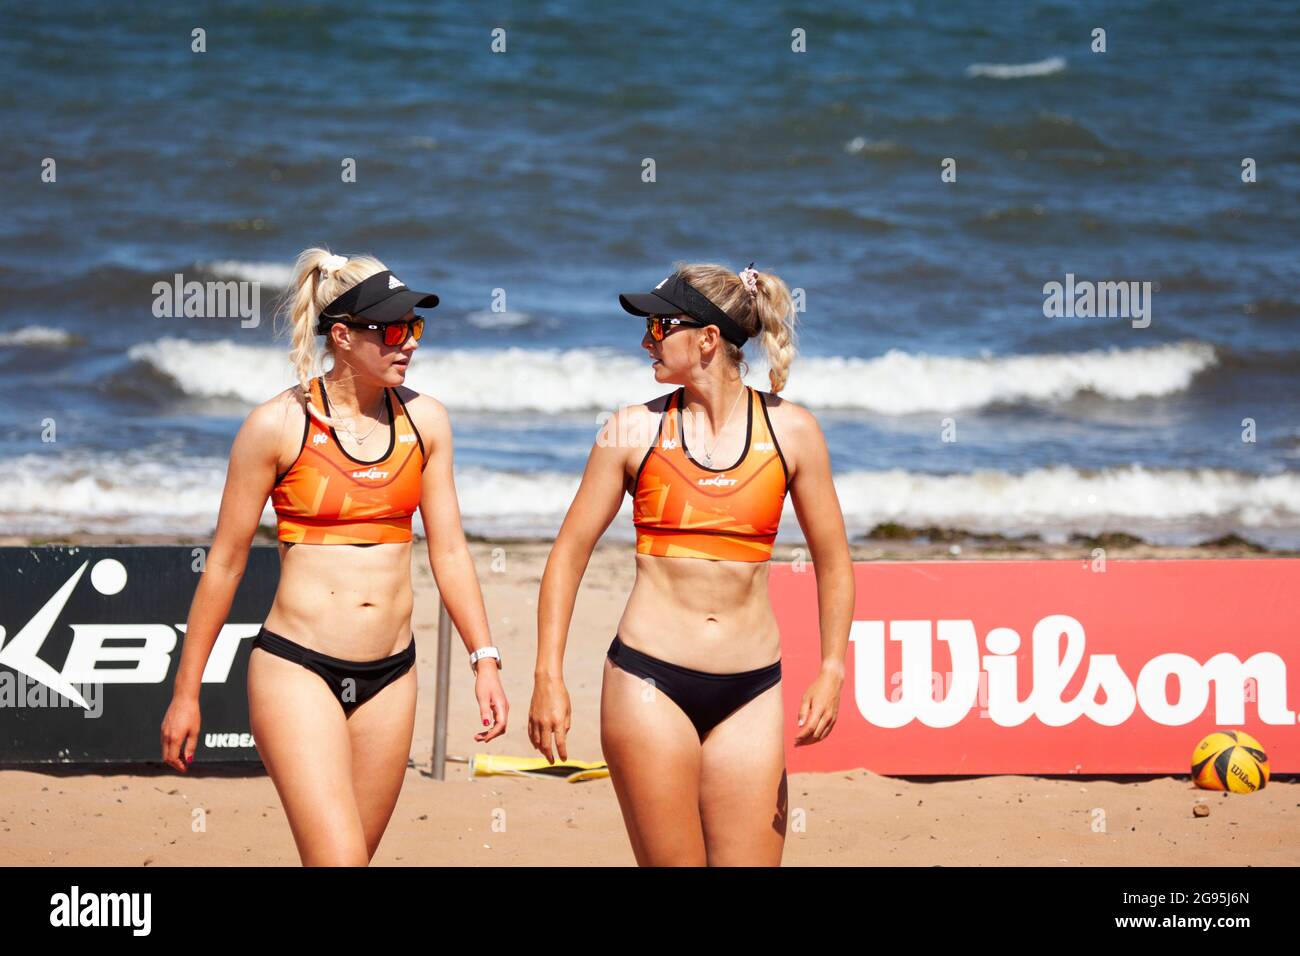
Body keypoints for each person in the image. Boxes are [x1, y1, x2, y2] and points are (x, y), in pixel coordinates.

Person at [161, 248, 507, 865]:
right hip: (297, 668)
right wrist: (187, 691)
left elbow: (449, 551)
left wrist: (485, 658)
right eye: (395, 330)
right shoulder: (276, 425)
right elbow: (225, 564)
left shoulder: (426, 422)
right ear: (342, 336)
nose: (410, 344)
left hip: (392, 675)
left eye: (416, 328)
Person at [529, 262, 854, 865]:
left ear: (707, 338)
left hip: (753, 691)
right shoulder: (630, 432)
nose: (646, 339)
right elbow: (569, 554)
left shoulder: (794, 432)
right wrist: (548, 674)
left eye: (659, 326)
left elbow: (833, 562)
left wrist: (832, 667)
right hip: (648, 682)